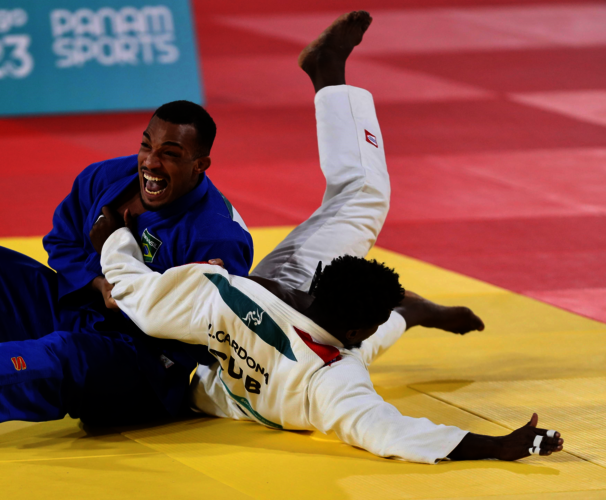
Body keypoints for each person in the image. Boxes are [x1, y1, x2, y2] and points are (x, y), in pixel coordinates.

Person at [91, 11, 564, 463]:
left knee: (363, 199)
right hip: (282, 365)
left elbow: (141, 296)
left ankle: (410, 309)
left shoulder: (228, 297)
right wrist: (498, 446)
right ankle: (409, 310)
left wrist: (114, 238)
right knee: (362, 223)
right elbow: (387, 431)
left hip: (218, 360)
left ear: (316, 283)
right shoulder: (333, 381)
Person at [0, 98, 252, 424]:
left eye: (170, 154)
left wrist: (135, 293)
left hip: (142, 364)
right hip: (82, 307)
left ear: (200, 165)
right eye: (146, 145)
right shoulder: (105, 178)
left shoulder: (217, 237)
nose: (151, 162)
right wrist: (101, 284)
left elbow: (212, 340)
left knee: (57, 353)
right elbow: (60, 243)